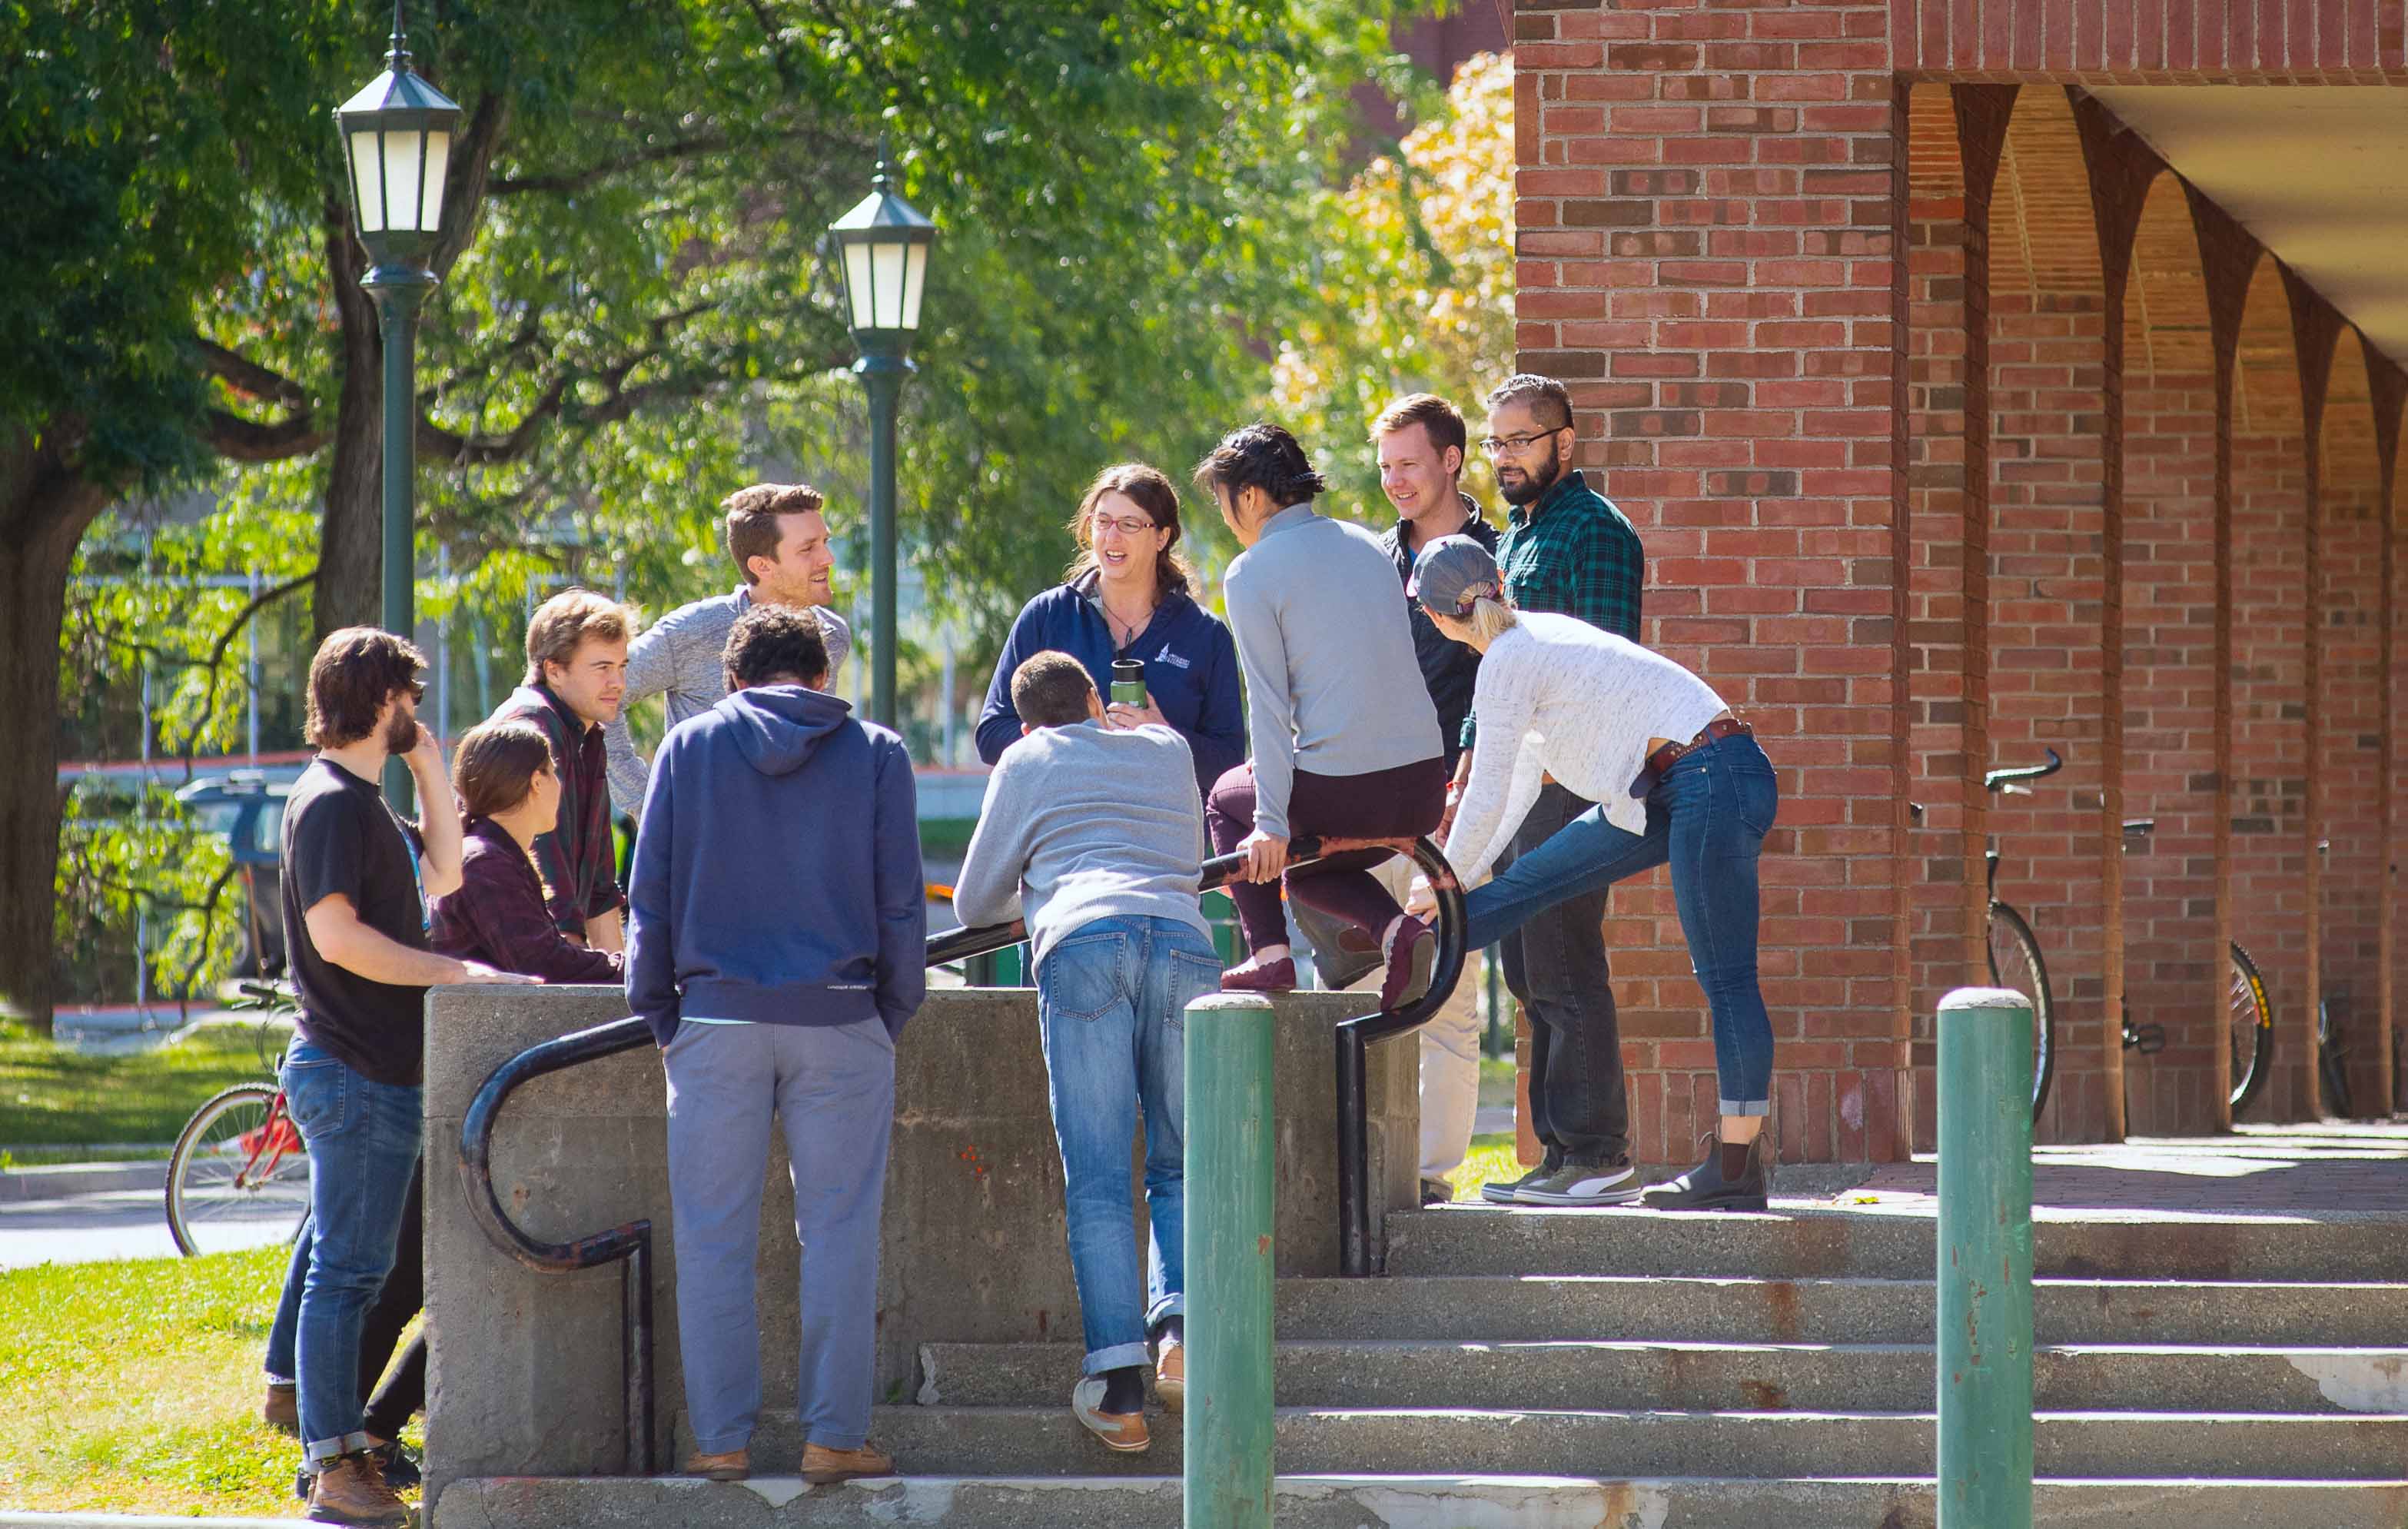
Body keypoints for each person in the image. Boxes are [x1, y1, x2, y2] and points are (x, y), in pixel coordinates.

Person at [625, 605, 924, 1486]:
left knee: (712, 1237)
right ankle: (835, 1436)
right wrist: (888, 1011)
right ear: (822, 678)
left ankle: (719, 1440)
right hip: (840, 1016)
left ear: (732, 677)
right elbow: (901, 903)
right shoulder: (877, 753)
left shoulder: (688, 749)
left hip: (714, 1019)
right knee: (839, 1233)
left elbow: (652, 893)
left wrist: (662, 1015)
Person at [1407, 537, 1779, 1210]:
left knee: (1726, 977)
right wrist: (1437, 893)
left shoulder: (1509, 659)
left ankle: (1735, 1166)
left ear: (1434, 617)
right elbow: (1515, 788)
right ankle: (1414, 940)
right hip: (1667, 788)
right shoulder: (1535, 638)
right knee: (1528, 883)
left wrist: (1441, 878)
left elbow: (1485, 791)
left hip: (1710, 776)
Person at [276, 628, 536, 1527]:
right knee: (346, 1277)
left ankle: (342, 1454)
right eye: (410, 702)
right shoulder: (335, 804)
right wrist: (456, 973)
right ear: (382, 698)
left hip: (374, 1067)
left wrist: (430, 767)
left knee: (356, 1268)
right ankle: (334, 1465)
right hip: (351, 1068)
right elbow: (338, 937)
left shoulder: (363, 804)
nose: (418, 715)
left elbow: (446, 872)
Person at [951, 651, 1219, 1454]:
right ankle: (1181, 1336)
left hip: (1083, 941)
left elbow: (973, 900)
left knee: (1099, 1177)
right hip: (1182, 942)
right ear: (1099, 700)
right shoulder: (1168, 750)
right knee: (1177, 1164)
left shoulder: (1027, 757)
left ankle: (1120, 1388)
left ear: (1027, 723)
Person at [1453, 374, 1649, 1209]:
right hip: (1518, 773)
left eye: (1519, 440)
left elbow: (1605, 667)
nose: (1504, 457)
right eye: (1495, 442)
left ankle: (1596, 1154)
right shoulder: (1515, 539)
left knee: (1565, 958)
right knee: (1529, 971)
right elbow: (1499, 665)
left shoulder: (1595, 533)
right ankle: (1559, 1153)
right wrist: (1471, 757)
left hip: (1572, 774)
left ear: (1565, 443)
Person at [1194, 423, 1447, 1010]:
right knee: (1304, 867)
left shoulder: (1251, 570)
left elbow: (1269, 706)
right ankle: (1395, 932)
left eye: (1223, 500)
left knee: (1225, 799)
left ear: (1251, 496)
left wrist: (1268, 821)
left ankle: (1269, 954)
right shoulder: (1366, 544)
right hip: (1420, 792)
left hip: (1346, 792)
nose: (1226, 516)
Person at [1333, 394, 1500, 1206]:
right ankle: (1369, 1160)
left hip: (1456, 805)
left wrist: (1461, 789)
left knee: (1447, 994)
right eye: (1385, 465)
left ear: (1451, 461)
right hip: (1368, 805)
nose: (1395, 479)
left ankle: (1430, 1175)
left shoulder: (1497, 558)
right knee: (1367, 982)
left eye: (1409, 463)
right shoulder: (1370, 562)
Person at [975, 464, 1244, 803]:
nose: (1112, 537)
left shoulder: (1206, 635)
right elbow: (991, 734)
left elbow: (1229, 764)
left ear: (1162, 537)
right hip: (1064, 836)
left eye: (1129, 524)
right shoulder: (1046, 616)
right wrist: (1080, 744)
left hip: (1162, 841)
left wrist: (1165, 736)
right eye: (1102, 522)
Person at [604, 482, 855, 819]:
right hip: (705, 851)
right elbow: (601, 694)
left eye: (825, 542)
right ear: (762, 566)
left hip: (799, 843)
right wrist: (648, 804)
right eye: (808, 548)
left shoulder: (832, 635)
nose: (828, 558)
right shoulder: (693, 630)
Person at [431, 718, 628, 985]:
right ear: (537, 782)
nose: (559, 785)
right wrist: (635, 966)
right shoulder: (485, 862)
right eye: (554, 771)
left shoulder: (488, 854)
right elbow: (543, 964)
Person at [490, 588, 634, 951]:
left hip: (542, 961)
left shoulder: (587, 734)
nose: (617, 682)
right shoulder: (532, 728)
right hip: (509, 975)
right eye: (602, 668)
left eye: (621, 667)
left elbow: (599, 890)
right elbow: (552, 895)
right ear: (554, 670)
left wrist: (617, 994)